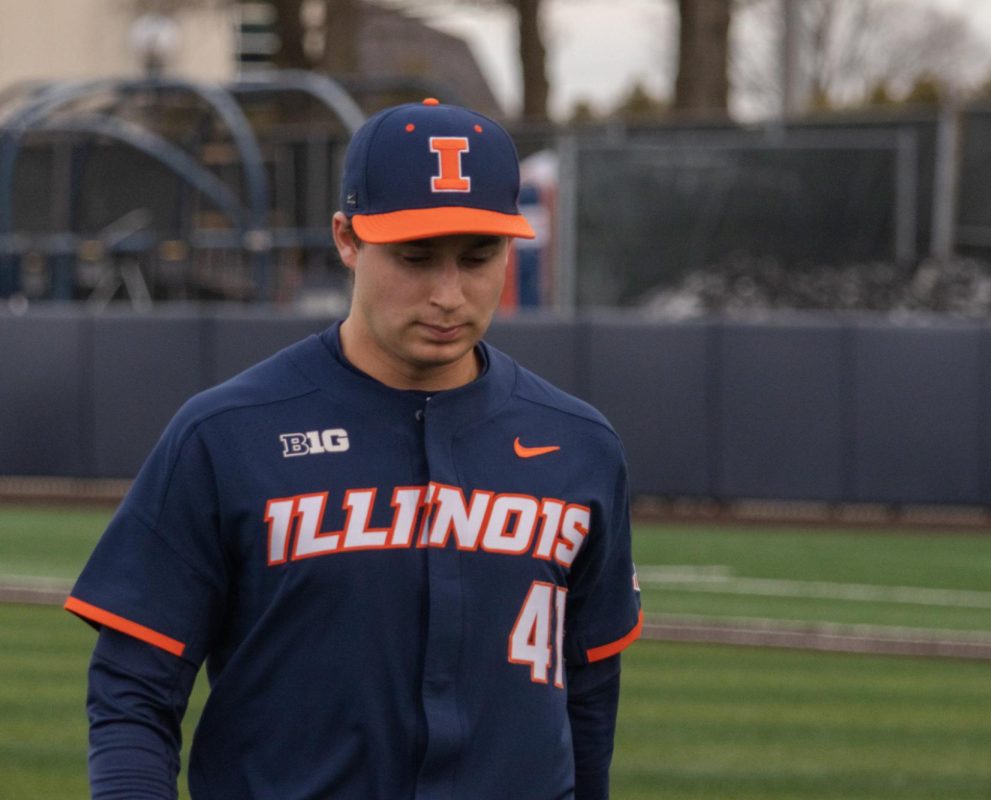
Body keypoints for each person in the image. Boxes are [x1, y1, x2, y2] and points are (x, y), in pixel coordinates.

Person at [66, 98, 643, 800]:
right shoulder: (225, 435)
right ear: (346, 238)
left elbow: (589, 690)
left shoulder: (580, 445)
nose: (448, 294)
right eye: (415, 257)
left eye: (479, 256)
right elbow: (133, 691)